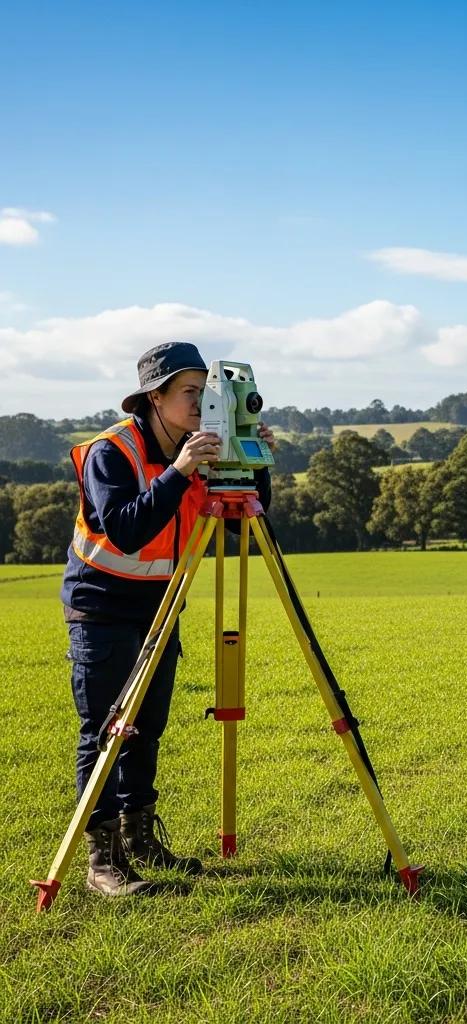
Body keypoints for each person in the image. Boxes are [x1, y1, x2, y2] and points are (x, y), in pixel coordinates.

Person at [61, 342, 274, 895]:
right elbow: (126, 530)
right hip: (101, 607)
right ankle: (102, 862)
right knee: (107, 730)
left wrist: (251, 464)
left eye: (207, 392)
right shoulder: (112, 452)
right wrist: (180, 472)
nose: (201, 403)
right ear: (155, 397)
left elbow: (239, 525)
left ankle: (139, 839)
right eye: (189, 392)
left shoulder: (197, 448)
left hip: (160, 605)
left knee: (147, 729)